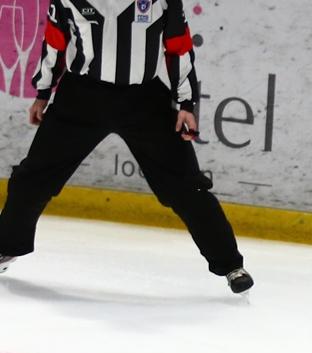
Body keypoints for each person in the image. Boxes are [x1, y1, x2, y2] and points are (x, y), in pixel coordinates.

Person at [0, 0, 250, 291]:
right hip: (81, 96)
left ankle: (231, 264)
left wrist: (186, 103)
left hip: (144, 100)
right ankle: (7, 246)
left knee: (186, 186)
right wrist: (43, 92)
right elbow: (56, 40)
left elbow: (178, 46)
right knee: (33, 177)